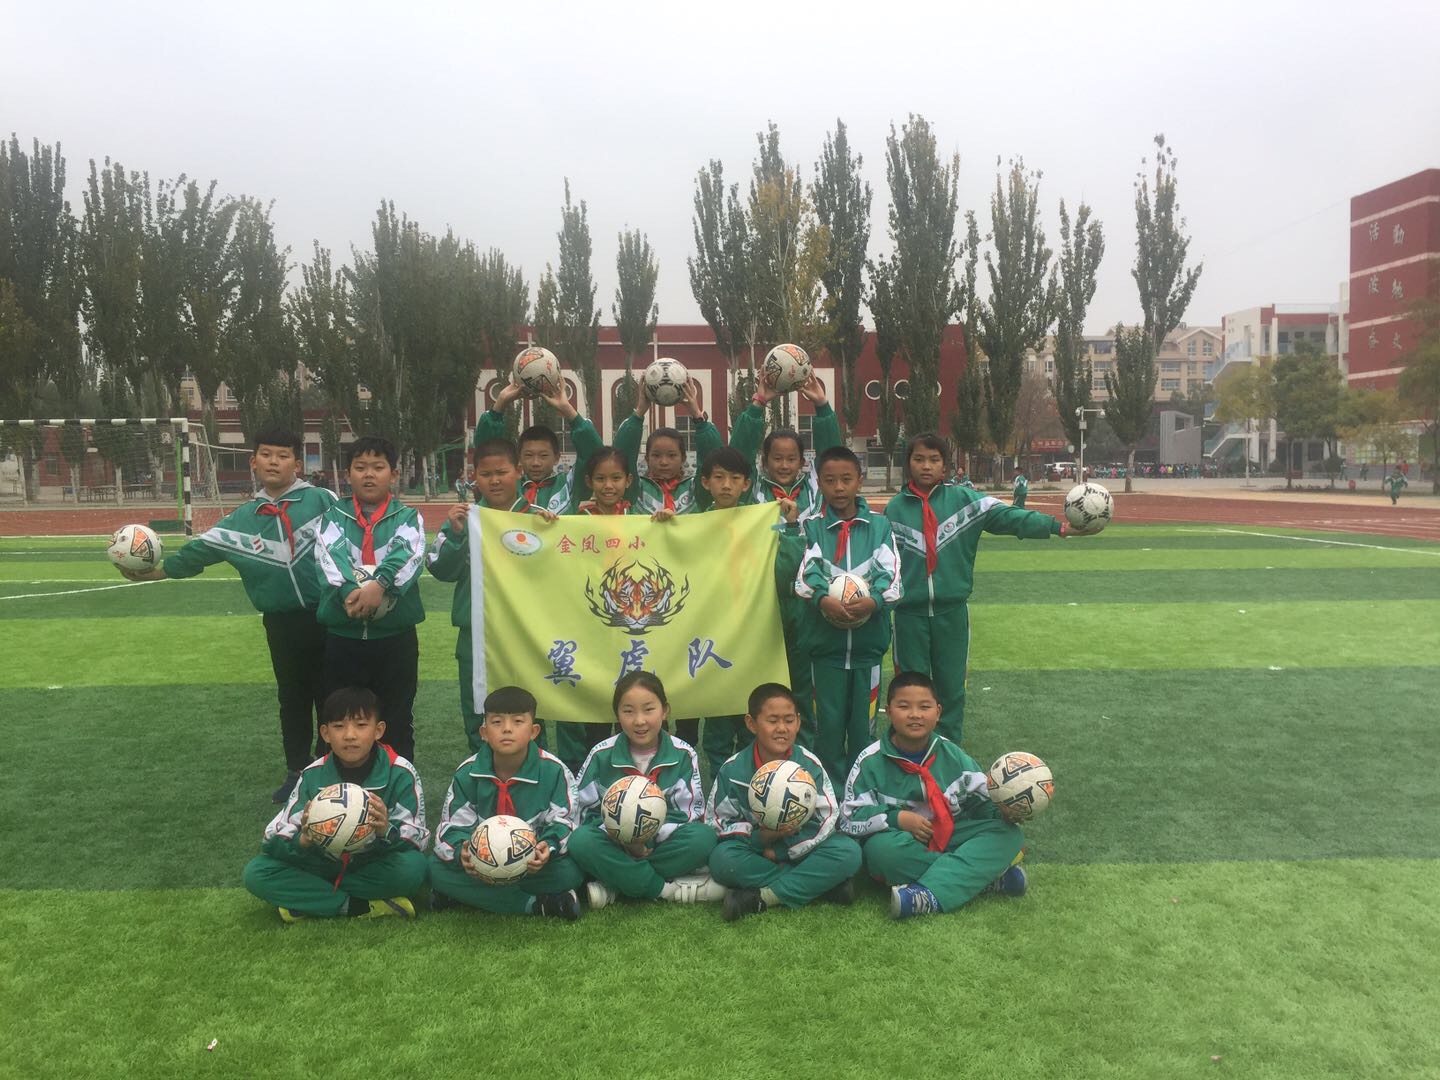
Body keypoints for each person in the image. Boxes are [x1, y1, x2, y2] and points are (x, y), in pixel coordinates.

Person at [116, 428, 336, 803]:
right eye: (266, 454)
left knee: (332, 697)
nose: (274, 462)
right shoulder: (241, 520)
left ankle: (331, 769)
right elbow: (199, 551)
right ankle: (298, 773)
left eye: (283, 455)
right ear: (253, 462)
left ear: (297, 465)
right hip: (282, 625)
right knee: (293, 699)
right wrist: (156, 571)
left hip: (330, 617)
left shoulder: (322, 501)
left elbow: (354, 531)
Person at [885, 434, 1077, 744]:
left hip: (952, 614)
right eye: (919, 459)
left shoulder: (966, 501)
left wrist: (1058, 527)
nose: (926, 466)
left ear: (946, 467)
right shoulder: (894, 510)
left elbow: (1011, 518)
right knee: (909, 692)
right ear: (908, 464)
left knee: (951, 690)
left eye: (934, 460)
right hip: (909, 617)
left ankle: (948, 754)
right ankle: (906, 755)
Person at [840, 672, 1027, 920]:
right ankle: (981, 878)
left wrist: (1004, 812)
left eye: (924, 707)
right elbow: (848, 818)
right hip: (901, 842)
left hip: (950, 834)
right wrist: (897, 819)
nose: (915, 714)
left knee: (1009, 835)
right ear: (889, 711)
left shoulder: (954, 756)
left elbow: (980, 803)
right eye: (904, 706)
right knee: (881, 854)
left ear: (938, 712)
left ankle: (927, 894)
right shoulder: (869, 762)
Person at [242, 687, 429, 922]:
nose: (350, 735)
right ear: (325, 733)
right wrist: (303, 840)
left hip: (373, 863)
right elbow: (272, 838)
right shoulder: (312, 774)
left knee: (414, 869)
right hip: (322, 863)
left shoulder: (400, 771)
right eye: (339, 726)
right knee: (257, 873)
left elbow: (417, 838)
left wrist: (386, 831)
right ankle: (358, 906)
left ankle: (309, 899)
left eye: (361, 725)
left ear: (378, 730)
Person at [428, 440, 556, 752]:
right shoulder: (465, 518)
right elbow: (441, 569)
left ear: (518, 471)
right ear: (475, 477)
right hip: (477, 633)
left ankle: (536, 771)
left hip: (526, 632)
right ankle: (483, 769)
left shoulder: (540, 518)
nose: (495, 480)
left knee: (530, 707)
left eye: (502, 472)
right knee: (479, 710)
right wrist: (456, 533)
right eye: (486, 474)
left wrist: (555, 533)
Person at [568, 672, 723, 907]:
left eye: (648, 709)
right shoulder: (601, 754)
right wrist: (624, 838)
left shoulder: (683, 753)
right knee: (581, 841)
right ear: (617, 715)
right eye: (628, 711)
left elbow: (689, 814)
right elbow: (582, 812)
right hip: (613, 844)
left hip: (659, 846)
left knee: (703, 839)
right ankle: (666, 890)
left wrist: (645, 842)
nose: (639, 721)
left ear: (664, 711)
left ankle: (616, 883)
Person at [707, 683, 861, 920]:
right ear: (751, 723)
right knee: (722, 860)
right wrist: (761, 839)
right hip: (757, 852)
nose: (782, 728)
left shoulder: (809, 765)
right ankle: (823, 885)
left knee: (848, 852)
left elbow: (827, 818)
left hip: (802, 849)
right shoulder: (733, 769)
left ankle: (763, 897)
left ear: (798, 722)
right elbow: (717, 823)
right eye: (772, 721)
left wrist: (780, 851)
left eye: (789, 720)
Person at [794, 445, 902, 783]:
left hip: (867, 654)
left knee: (863, 732)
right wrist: (823, 599)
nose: (838, 487)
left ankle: (860, 793)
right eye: (829, 480)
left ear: (860, 480)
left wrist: (874, 601)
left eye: (846, 479)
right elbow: (804, 577)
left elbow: (893, 578)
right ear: (820, 483)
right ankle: (829, 794)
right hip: (825, 653)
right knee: (826, 731)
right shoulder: (812, 527)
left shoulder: (880, 526)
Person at [427, 686, 583, 920]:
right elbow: (451, 827)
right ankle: (536, 904)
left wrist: (547, 848)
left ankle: (466, 896)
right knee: (435, 868)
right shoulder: (467, 773)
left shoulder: (554, 771)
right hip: (481, 866)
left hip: (531, 866)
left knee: (570, 872)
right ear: (484, 732)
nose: (507, 729)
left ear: (534, 731)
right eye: (497, 722)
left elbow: (566, 822)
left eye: (518, 721)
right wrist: (462, 853)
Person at [315, 435, 426, 762]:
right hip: (343, 638)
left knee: (397, 718)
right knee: (340, 719)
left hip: (395, 639)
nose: (369, 474)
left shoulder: (408, 517)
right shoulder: (333, 517)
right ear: (347, 474)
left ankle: (400, 783)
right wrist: (349, 590)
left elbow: (408, 553)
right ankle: (338, 784)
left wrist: (380, 585)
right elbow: (330, 555)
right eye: (360, 467)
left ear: (393, 474)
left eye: (378, 467)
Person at [669, 446, 759, 772]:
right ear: (705, 482)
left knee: (749, 718)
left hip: (748, 630)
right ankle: (720, 789)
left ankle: (752, 784)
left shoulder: (761, 521)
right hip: (707, 631)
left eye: (735, 478)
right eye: (719, 477)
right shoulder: (693, 524)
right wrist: (664, 529)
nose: (727, 485)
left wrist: (788, 526)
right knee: (717, 724)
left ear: (746, 484)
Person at [473, 380, 603, 514]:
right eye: (528, 455)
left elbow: (596, 457)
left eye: (543, 455)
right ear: (519, 457)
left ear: (556, 457)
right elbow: (486, 452)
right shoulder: (508, 485)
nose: (536, 463)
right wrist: (500, 403)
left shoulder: (571, 484)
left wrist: (566, 409)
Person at [613, 380, 722, 515]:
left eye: (672, 455)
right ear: (647, 459)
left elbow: (713, 459)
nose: (664, 462)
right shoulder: (634, 489)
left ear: (683, 458)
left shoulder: (697, 490)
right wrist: (639, 412)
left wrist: (698, 416)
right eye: (656, 455)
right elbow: (621, 458)